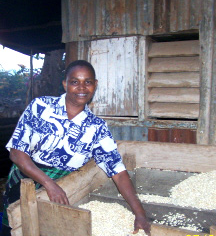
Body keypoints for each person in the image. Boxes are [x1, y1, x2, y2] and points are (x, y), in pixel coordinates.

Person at [0, 60, 151, 236]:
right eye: (74, 82)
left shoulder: (97, 128)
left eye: (87, 82)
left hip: (64, 190)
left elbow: (117, 171)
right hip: (25, 182)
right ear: (65, 84)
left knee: (47, 230)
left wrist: (139, 213)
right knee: (14, 226)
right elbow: (17, 154)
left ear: (95, 85)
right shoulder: (40, 107)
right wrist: (49, 184)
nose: (81, 87)